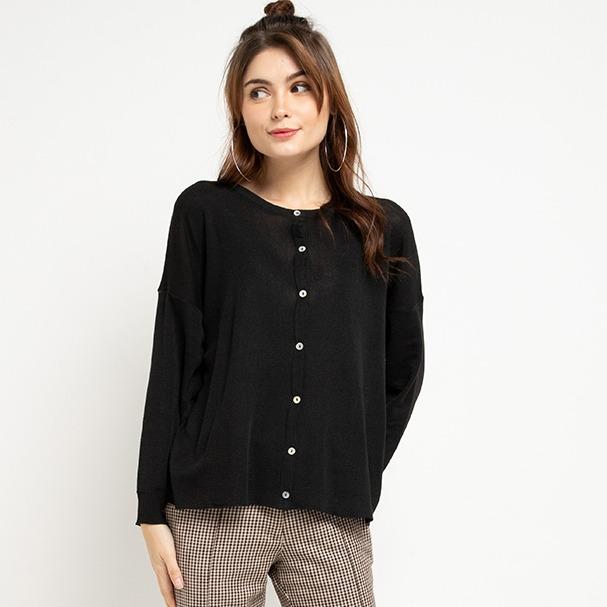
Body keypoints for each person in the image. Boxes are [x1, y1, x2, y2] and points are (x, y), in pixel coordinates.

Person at [135, 1, 425, 606]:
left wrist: (351, 464)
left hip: (332, 520)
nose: (280, 109)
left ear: (329, 98)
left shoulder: (382, 229)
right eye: (258, 92)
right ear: (239, 110)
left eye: (298, 87)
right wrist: (150, 511)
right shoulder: (205, 214)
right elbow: (174, 360)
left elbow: (402, 374)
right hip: (214, 513)